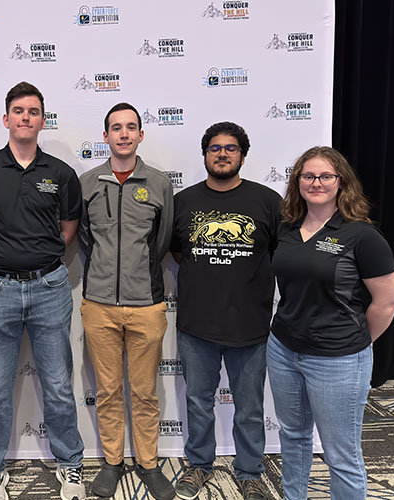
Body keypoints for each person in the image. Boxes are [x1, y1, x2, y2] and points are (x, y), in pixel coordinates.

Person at [0, 81, 85, 500]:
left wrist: (39, 255)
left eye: (33, 111)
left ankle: (70, 466)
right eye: (18, 111)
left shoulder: (61, 174)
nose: (25, 117)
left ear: (42, 120)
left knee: (58, 384)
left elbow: (69, 229)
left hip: (50, 286)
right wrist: (1, 253)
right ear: (6, 119)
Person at [267, 146, 394, 499]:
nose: (317, 183)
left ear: (342, 183)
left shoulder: (362, 236)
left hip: (337, 360)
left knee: (340, 453)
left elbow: (388, 300)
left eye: (326, 176)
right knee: (293, 437)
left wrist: (355, 342)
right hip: (283, 350)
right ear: (298, 182)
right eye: (308, 176)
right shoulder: (287, 229)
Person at [170, 122, 281, 500]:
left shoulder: (267, 202)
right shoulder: (183, 202)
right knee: (197, 403)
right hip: (196, 324)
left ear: (243, 156)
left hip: (250, 327)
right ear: (205, 155)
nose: (222, 154)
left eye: (230, 148)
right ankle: (199, 466)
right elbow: (177, 251)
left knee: (249, 408)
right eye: (215, 148)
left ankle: (249, 472)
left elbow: (281, 255)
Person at [78, 103, 174, 500]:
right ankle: (112, 462)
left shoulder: (158, 183)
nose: (123, 134)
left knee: (145, 391)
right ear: (105, 137)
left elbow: (164, 239)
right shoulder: (87, 183)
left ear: (140, 135)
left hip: (146, 304)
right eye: (115, 128)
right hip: (98, 304)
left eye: (130, 127)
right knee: (107, 390)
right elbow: (83, 236)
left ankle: (148, 464)